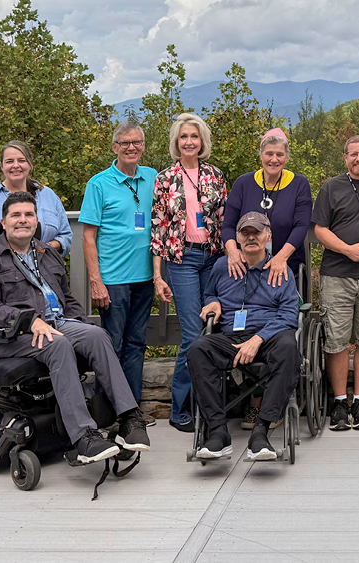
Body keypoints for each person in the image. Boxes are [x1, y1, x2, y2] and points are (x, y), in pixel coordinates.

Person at [0, 191, 150, 463]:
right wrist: (29, 320)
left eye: (29, 214)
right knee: (58, 344)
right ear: (3, 222)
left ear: (36, 220)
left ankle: (129, 419)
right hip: (5, 335)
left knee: (97, 336)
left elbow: (67, 298)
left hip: (55, 324)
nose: (23, 220)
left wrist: (79, 324)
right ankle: (84, 436)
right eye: (15, 215)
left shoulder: (46, 253)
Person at [188, 213, 300, 461]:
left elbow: (290, 314)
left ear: (268, 236)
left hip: (269, 336)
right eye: (245, 233)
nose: (251, 237)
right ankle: (218, 432)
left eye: (256, 232)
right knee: (197, 349)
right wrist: (214, 302)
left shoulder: (280, 269)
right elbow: (210, 294)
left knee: (289, 348)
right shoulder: (222, 266)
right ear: (237, 238)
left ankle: (261, 431)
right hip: (231, 336)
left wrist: (258, 339)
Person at [223, 127, 312, 430]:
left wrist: (281, 257)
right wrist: (232, 251)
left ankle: (272, 400)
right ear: (260, 155)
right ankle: (255, 400)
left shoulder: (298, 183)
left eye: (280, 154)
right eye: (269, 153)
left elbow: (301, 225)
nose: (274, 159)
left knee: (281, 331)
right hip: (247, 268)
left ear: (287, 157)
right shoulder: (244, 183)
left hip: (285, 268)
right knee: (248, 325)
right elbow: (228, 224)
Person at [151, 113, 227, 432]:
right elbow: (158, 228)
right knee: (193, 334)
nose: (189, 142)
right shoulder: (165, 178)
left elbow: (225, 220)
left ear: (202, 141)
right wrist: (158, 276)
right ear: (176, 142)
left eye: (194, 136)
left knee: (214, 329)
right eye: (183, 137)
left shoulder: (215, 175)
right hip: (181, 260)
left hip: (213, 258)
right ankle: (180, 409)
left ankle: (207, 404)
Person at [79, 121, 157, 408]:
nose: (131, 147)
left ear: (143, 146)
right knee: (111, 347)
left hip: (144, 278)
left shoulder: (152, 178)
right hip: (113, 280)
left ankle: (132, 409)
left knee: (136, 345)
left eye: (136, 142)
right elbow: (88, 237)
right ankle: (107, 410)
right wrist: (96, 281)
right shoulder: (98, 184)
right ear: (114, 147)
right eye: (124, 143)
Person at [312, 135, 359, 431]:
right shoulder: (332, 187)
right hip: (337, 275)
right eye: (353, 154)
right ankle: (340, 403)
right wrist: (346, 249)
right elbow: (319, 229)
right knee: (337, 340)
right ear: (345, 158)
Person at [0, 140, 72, 263]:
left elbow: (65, 235)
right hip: (0, 271)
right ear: (2, 166)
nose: (16, 165)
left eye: (21, 160)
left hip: (45, 269)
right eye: (9, 161)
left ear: (30, 164)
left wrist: (46, 248)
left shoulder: (48, 196)